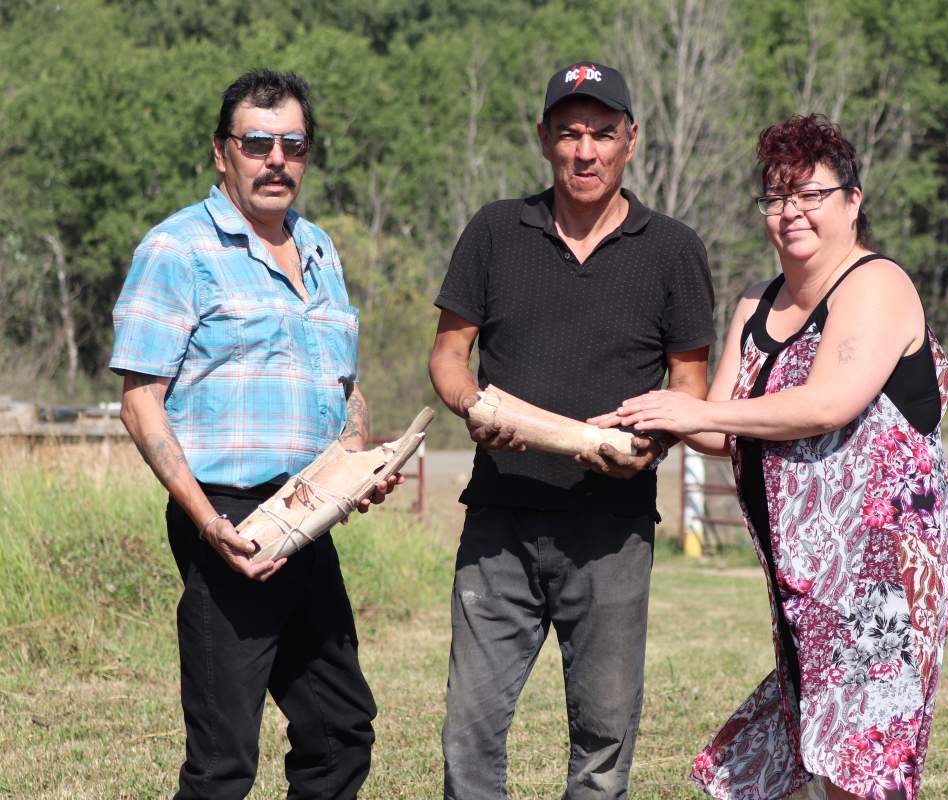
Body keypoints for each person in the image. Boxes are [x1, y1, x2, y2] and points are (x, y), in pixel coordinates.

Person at [607, 115, 948, 800]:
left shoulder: (875, 284)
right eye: (776, 197)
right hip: (801, 576)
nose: (791, 212)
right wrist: (651, 417)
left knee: (859, 761)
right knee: (807, 750)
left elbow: (828, 402)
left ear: (853, 200)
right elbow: (722, 428)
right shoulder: (757, 301)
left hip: (879, 574)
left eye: (810, 194)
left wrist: (698, 412)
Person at [428, 61, 715, 799]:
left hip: (611, 530)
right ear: (544, 140)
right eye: (568, 134)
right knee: (471, 732)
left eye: (601, 134)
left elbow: (690, 384)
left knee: (603, 738)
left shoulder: (673, 249)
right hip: (500, 524)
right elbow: (450, 356)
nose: (584, 151)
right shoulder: (496, 230)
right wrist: (475, 411)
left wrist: (652, 444)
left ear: (630, 141)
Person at [110, 70, 396, 799]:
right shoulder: (178, 249)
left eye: (292, 144)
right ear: (221, 152)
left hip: (309, 511)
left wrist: (356, 464)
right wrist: (207, 522)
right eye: (257, 143)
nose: (276, 160)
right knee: (224, 759)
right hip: (228, 516)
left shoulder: (321, 249)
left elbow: (344, 386)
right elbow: (141, 401)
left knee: (340, 730)